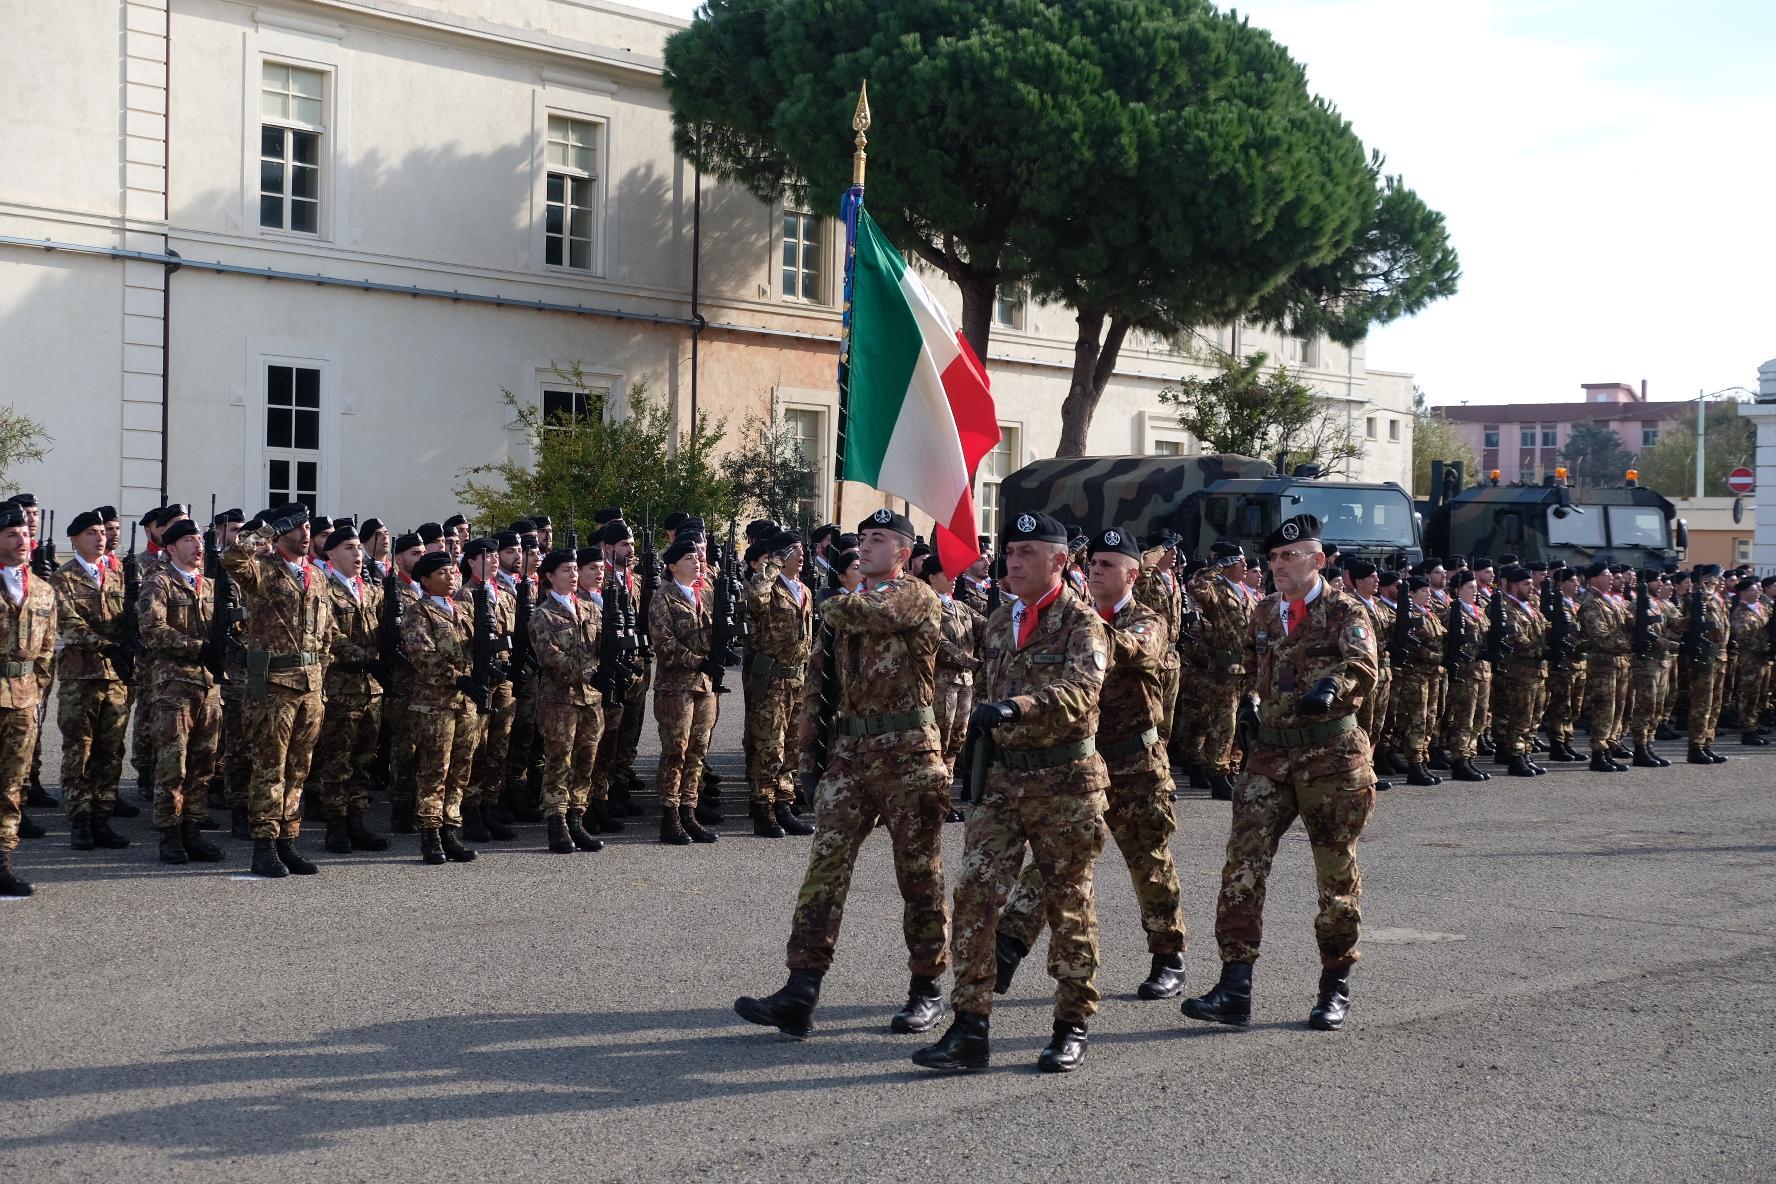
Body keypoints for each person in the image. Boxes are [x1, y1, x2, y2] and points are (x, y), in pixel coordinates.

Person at [737, 509, 952, 1041]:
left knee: (918, 874)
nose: (865, 545)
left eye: (878, 539)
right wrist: (807, 760)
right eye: (862, 539)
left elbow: (860, 613)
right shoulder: (842, 611)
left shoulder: (913, 597)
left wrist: (830, 599)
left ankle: (927, 987)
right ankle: (801, 988)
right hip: (851, 753)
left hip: (907, 751)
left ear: (903, 552)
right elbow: (819, 686)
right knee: (825, 870)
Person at [912, 511, 1111, 1075]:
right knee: (974, 892)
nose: (1014, 561)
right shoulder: (999, 622)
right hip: (1002, 782)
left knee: (1068, 899)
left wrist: (1018, 707)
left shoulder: (1082, 625)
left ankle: (1071, 1023)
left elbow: (1080, 692)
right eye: (1010, 551)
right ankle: (970, 1026)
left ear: (1060, 562)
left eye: (1028, 552)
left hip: (1064, 784)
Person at [1181, 513, 1378, 1033]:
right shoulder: (1265, 611)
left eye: (1289, 556)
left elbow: (1362, 665)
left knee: (1335, 872)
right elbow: (1250, 664)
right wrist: (1248, 704)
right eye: (1271, 558)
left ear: (1318, 560)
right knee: (1242, 866)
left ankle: (1334, 983)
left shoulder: (1344, 609)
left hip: (1331, 756)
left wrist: (1332, 688)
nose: (1277, 566)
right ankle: (1234, 985)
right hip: (1270, 757)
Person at [994, 527, 1188, 1002]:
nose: (1097, 572)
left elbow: (1131, 650)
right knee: (1053, 862)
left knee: (1149, 862)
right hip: (1080, 765)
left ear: (1133, 575)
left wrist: (1077, 625)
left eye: (1109, 565)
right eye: (1093, 564)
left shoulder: (1145, 620)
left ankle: (1168, 954)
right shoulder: (1066, 620)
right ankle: (1008, 948)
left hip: (1134, 764)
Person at [224, 504, 337, 878]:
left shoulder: (316, 576)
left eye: (307, 527)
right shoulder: (263, 570)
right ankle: (264, 845)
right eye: (297, 527)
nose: (306, 534)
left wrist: (323, 664)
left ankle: (288, 840)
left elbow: (328, 629)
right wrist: (267, 530)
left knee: (299, 768)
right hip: (273, 684)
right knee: (270, 766)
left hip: (310, 685)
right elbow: (233, 557)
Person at [138, 517, 227, 865]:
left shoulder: (210, 585)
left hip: (209, 685)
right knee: (172, 763)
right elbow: (152, 629)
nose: (198, 546)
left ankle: (193, 828)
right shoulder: (158, 583)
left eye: (199, 540)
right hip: (174, 686)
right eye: (189, 540)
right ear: (171, 548)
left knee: (205, 762)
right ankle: (169, 834)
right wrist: (196, 646)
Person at [52, 509, 132, 850]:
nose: (100, 537)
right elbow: (69, 625)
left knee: (111, 751)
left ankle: (102, 816)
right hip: (80, 677)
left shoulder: (118, 576)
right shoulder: (63, 579)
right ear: (74, 539)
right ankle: (80, 821)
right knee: (79, 752)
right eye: (91, 533)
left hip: (114, 678)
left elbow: (130, 618)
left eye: (102, 532)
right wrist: (109, 643)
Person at [313, 523, 391, 854]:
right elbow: (331, 635)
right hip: (341, 687)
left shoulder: (373, 591)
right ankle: (336, 825)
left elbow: (388, 632)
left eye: (359, 548)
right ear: (330, 553)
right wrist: (364, 658)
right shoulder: (324, 589)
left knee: (363, 761)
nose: (357, 554)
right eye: (348, 548)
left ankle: (357, 820)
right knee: (337, 761)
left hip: (372, 689)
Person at [402, 549, 482, 864]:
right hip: (435, 703)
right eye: (442, 574)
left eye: (452, 572)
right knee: (435, 769)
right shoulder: (417, 612)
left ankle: (451, 828)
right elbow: (423, 655)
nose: (450, 578)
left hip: (465, 704)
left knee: (461, 769)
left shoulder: (464, 607)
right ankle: (430, 834)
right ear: (425, 581)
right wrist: (459, 678)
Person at [0, 501, 62, 896]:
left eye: (24, 534)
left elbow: (46, 650)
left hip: (23, 700)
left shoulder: (41, 591)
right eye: (11, 535)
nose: (22, 540)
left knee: (12, 785)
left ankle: (2, 860)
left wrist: (36, 693)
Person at [530, 548, 605, 854]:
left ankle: (577, 817)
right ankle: (556, 822)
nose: (573, 575)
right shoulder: (543, 614)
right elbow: (550, 657)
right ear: (549, 576)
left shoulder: (591, 609)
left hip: (591, 699)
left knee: (586, 761)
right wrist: (590, 672)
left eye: (575, 569)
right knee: (559, 760)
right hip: (559, 700)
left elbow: (603, 646)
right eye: (565, 570)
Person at [743, 529, 816, 838]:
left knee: (792, 747)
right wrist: (771, 567)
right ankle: (763, 808)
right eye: (794, 552)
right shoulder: (767, 587)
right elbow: (756, 599)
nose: (801, 557)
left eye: (801, 552)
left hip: (797, 679)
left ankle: (784, 804)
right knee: (768, 747)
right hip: (771, 680)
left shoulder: (804, 590)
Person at [651, 531, 719, 844]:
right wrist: (698, 661)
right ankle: (670, 815)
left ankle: (689, 810)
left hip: (703, 685)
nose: (697, 562)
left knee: (698, 750)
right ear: (672, 566)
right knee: (675, 751)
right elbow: (664, 643)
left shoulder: (705, 593)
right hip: (675, 686)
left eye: (697, 557)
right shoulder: (662, 597)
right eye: (689, 559)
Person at [457, 537, 518, 843]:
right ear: (470, 561)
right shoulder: (464, 596)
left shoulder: (505, 593)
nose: (494, 560)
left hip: (502, 679)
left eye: (497, 555)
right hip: (478, 679)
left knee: (498, 747)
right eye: (487, 556)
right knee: (476, 748)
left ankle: (490, 805)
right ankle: (470, 810)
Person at [1188, 541, 1252, 801]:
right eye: (1240, 561)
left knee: (1240, 722)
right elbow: (1195, 588)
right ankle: (1217, 773)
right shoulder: (1216, 589)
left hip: (1246, 667)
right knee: (1223, 723)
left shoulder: (1245, 591)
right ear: (1228, 565)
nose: (1246, 565)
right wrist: (1216, 567)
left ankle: (1232, 769)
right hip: (1225, 668)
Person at [1490, 566, 1550, 777]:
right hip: (1520, 670)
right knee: (1520, 715)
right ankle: (1515, 756)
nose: (1531, 588)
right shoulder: (1506, 608)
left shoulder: (1530, 607)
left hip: (1537, 671)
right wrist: (1544, 650)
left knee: (1534, 715)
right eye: (1527, 584)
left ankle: (1525, 752)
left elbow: (1545, 629)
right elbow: (1517, 640)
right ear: (1515, 585)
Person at [1577, 561, 1632, 772]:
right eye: (1606, 575)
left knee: (1618, 709)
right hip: (1603, 664)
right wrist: (1630, 643)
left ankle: (1609, 748)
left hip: (1619, 662)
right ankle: (1598, 754)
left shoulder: (1612, 601)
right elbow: (1599, 637)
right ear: (1593, 579)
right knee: (1604, 709)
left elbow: (1627, 624)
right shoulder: (1591, 603)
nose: (1611, 578)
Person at [1440, 570, 1492, 782]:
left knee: (1480, 717)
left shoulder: (1479, 611)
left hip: (1482, 671)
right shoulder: (1453, 613)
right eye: (1470, 587)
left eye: (1475, 587)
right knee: (1464, 718)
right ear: (1457, 590)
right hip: (1466, 672)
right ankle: (1459, 759)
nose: (1475, 590)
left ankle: (1469, 755)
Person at [1683, 565, 1731, 763]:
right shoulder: (1698, 596)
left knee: (1715, 704)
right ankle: (1695, 746)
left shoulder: (1718, 598)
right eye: (1714, 578)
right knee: (1702, 703)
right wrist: (1709, 583)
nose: (1718, 581)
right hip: (1705, 656)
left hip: (1719, 656)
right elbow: (1703, 599)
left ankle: (1706, 743)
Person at [1729, 578, 1769, 746]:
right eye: (1754, 590)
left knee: (1761, 693)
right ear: (1743, 593)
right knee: (1749, 695)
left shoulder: (1762, 609)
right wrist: (1765, 647)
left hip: (1763, 659)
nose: (1758, 592)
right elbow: (1744, 637)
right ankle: (1747, 730)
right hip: (1750, 659)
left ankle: (1754, 723)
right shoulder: (1740, 612)